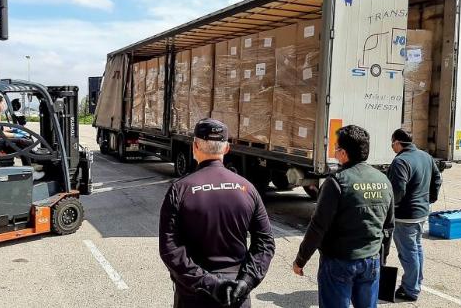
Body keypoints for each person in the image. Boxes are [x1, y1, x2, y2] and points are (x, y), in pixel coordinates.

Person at [159, 118, 275, 308]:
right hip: (237, 293)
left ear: (195, 146)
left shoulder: (180, 190)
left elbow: (170, 249)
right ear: (227, 148)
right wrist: (246, 281)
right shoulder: (248, 189)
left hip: (194, 294)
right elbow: (265, 244)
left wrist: (209, 284)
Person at [292, 125, 394, 308]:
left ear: (344, 154)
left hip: (339, 262)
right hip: (372, 260)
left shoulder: (337, 182)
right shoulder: (383, 180)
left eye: (336, 148)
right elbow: (388, 226)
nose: (334, 152)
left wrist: (301, 259)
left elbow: (318, 226)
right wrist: (382, 259)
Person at [388, 128, 442, 301]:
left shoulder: (401, 161)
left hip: (405, 215)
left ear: (397, 142)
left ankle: (411, 289)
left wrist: (391, 207)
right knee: (416, 248)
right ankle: (416, 282)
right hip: (421, 212)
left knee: (408, 252)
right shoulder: (425, 156)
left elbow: (397, 190)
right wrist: (430, 198)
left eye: (392, 143)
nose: (392, 147)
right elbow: (437, 178)